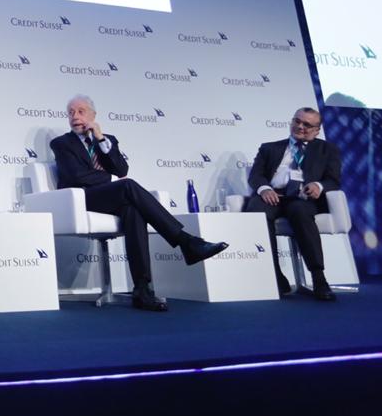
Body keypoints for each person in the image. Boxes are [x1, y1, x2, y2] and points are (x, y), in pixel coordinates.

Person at [50, 95, 228, 311]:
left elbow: (121, 169)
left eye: (81, 111)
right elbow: (77, 175)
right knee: (128, 186)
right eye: (70, 112)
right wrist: (116, 181)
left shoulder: (108, 140)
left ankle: (142, 289)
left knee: (133, 209)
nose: (75, 116)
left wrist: (100, 139)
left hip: (110, 197)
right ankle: (186, 241)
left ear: (93, 116)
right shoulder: (61, 143)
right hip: (81, 199)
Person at [245, 107, 342, 301]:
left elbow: (333, 180)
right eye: (297, 121)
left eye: (307, 124)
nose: (300, 126)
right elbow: (256, 176)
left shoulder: (328, 150)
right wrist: (264, 189)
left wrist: (318, 185)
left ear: (317, 130)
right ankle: (275, 275)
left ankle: (318, 277)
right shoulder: (269, 148)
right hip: (273, 196)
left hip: (302, 198)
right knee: (257, 210)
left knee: (299, 211)